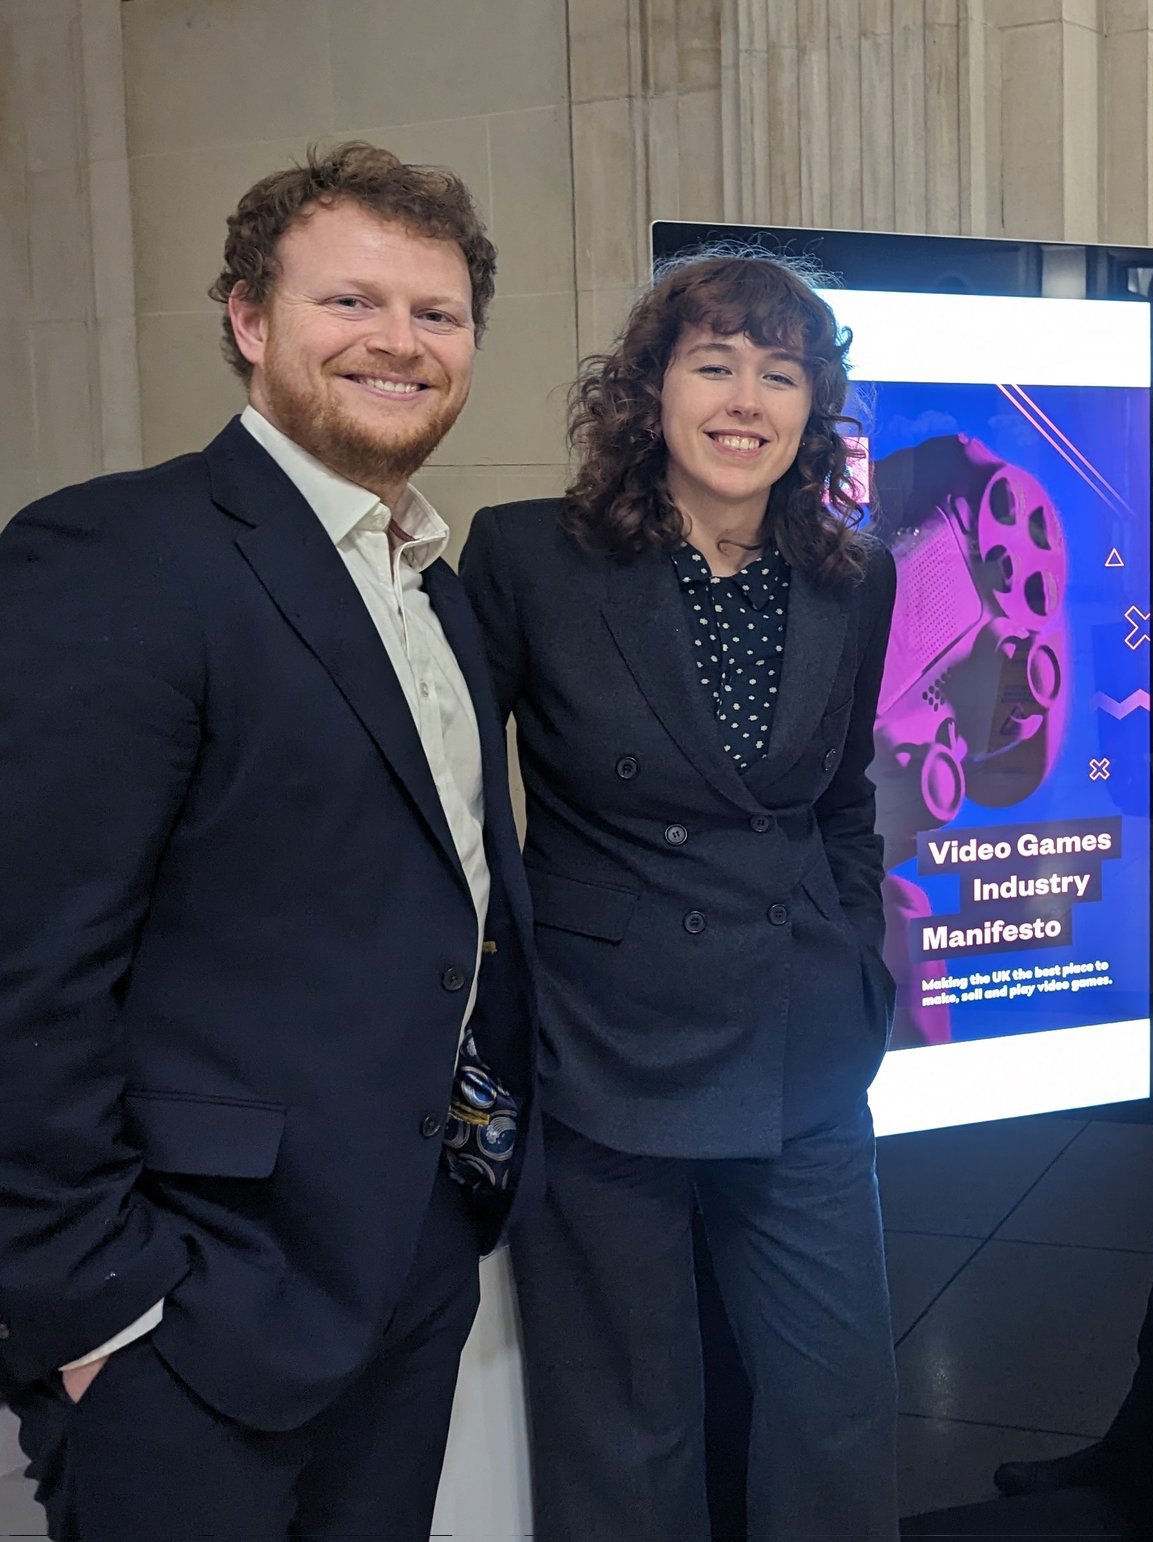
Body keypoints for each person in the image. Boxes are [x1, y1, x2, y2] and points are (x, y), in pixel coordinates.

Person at [0, 142, 539, 1540]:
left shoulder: (436, 581)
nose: (397, 343)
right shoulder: (117, 557)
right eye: (348, 302)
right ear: (248, 322)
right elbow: (27, 972)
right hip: (191, 1312)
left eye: (436, 314)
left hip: (406, 1262)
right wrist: (93, 1304)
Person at [459, 250, 900, 1540]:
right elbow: (454, 799)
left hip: (799, 1046)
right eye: (713, 363)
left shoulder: (848, 576)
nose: (743, 398)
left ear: (813, 411)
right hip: (603, 1050)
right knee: (626, 1424)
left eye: (780, 373)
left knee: (835, 1412)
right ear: (649, 389)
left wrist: (851, 945)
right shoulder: (529, 557)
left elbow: (841, 798)